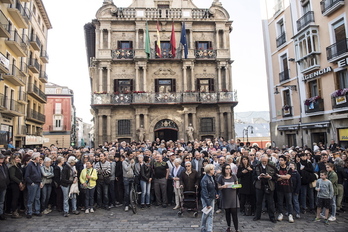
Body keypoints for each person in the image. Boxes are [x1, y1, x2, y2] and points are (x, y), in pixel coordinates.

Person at [253, 155, 277, 223]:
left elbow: (276, 177)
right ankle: (257, 216)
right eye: (263, 161)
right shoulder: (257, 166)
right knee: (258, 202)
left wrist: (270, 177)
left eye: (265, 161)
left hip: (269, 186)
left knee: (270, 202)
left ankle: (272, 217)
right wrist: (259, 177)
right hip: (259, 186)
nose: (264, 163)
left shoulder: (272, 166)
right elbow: (253, 176)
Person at [218, 164, 240, 232]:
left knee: (234, 213)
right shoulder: (221, 177)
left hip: (233, 196)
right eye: (226, 168)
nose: (228, 170)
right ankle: (228, 226)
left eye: (229, 168)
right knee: (227, 212)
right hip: (225, 196)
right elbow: (218, 186)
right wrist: (222, 187)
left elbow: (238, 184)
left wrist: (236, 186)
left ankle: (236, 228)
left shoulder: (233, 176)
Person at [276, 155, 294, 223]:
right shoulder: (277, 168)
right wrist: (284, 176)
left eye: (282, 160)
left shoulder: (289, 168)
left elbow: (288, 177)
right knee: (280, 202)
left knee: (289, 202)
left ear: (285, 161)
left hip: (288, 188)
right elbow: (276, 179)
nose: (280, 161)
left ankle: (290, 214)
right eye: (279, 160)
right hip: (279, 188)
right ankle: (281, 213)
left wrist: (280, 176)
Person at [200, 164, 218, 232]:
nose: (214, 170)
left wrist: (216, 193)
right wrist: (208, 203)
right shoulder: (204, 179)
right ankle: (203, 227)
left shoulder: (211, 177)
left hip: (211, 197)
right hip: (206, 198)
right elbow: (204, 192)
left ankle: (209, 229)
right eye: (213, 169)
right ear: (209, 170)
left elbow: (213, 187)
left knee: (211, 214)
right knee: (206, 213)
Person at [25, 152, 42, 219]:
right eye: (38, 157)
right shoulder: (30, 165)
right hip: (32, 184)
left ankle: (37, 211)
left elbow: (39, 173)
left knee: (37, 198)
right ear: (35, 158)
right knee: (31, 198)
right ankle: (29, 212)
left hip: (38, 183)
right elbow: (27, 176)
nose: (39, 158)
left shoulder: (37, 165)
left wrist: (40, 181)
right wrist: (31, 182)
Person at [8, 153, 24, 219]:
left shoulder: (19, 166)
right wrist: (19, 182)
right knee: (15, 198)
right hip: (14, 184)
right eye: (17, 158)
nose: (18, 159)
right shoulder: (12, 167)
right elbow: (12, 176)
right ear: (13, 159)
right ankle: (14, 211)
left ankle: (16, 210)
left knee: (18, 198)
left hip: (19, 183)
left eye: (19, 158)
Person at [0, 153, 10, 220]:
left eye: (3, 158)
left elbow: (6, 174)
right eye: (1, 158)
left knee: (2, 201)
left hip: (4, 186)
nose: (2, 160)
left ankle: (1, 213)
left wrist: (7, 182)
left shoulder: (4, 166)